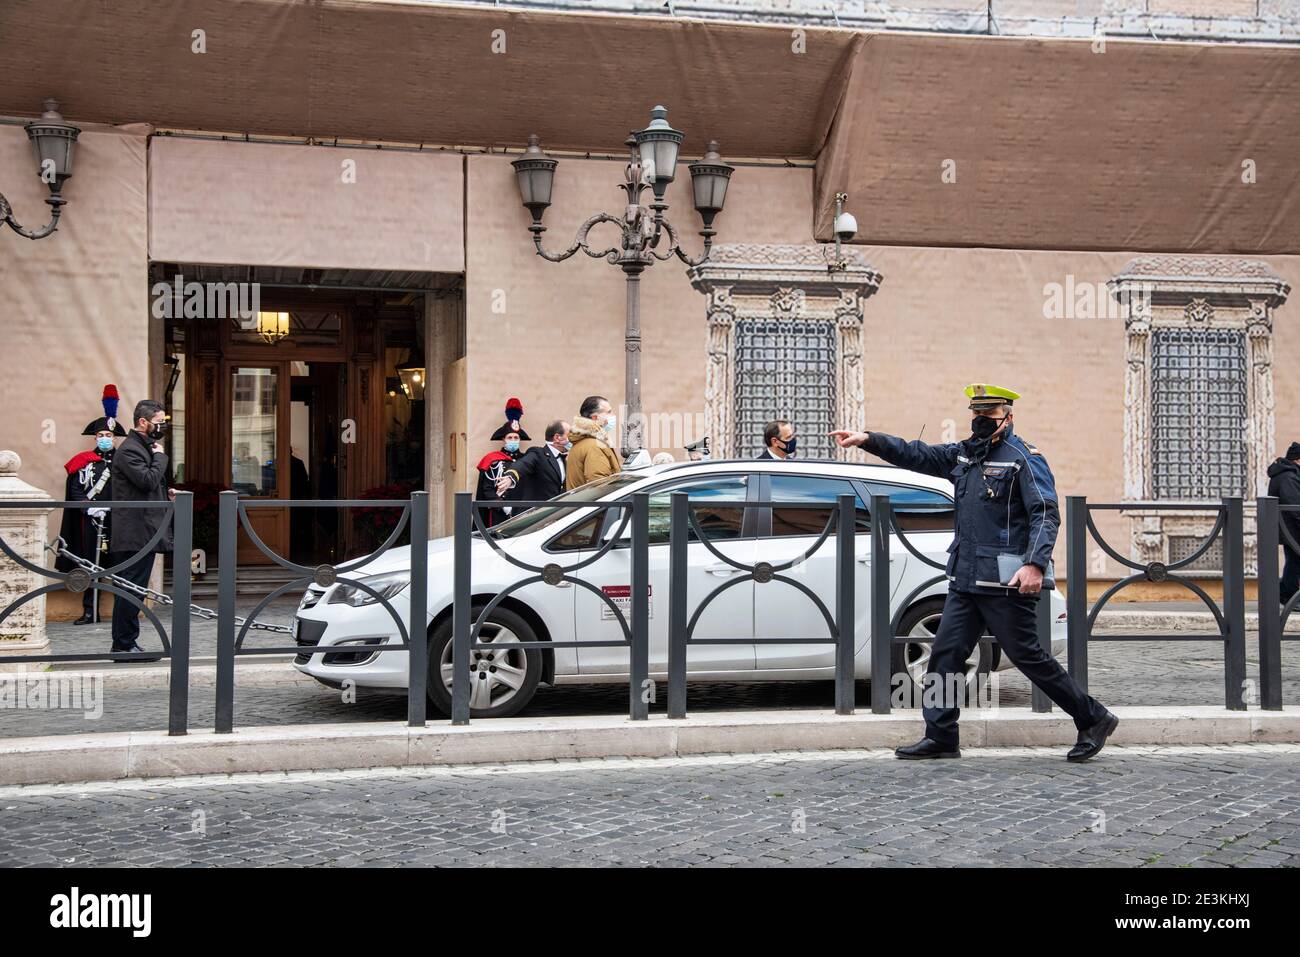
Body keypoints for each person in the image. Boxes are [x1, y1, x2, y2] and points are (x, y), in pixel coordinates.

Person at [829, 383, 1118, 763]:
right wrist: (869, 440)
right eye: (976, 415)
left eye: (989, 415)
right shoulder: (964, 455)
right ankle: (941, 736)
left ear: (1007, 418)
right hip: (965, 580)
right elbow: (917, 454)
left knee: (1028, 656)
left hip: (1005, 583)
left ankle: (1093, 717)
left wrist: (1034, 564)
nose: (980, 421)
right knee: (944, 656)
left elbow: (1045, 513)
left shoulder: (1023, 459)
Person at [108, 398, 173, 662]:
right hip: (134, 534)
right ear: (143, 422)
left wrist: (165, 493)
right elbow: (146, 480)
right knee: (130, 589)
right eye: (158, 422)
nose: (161, 427)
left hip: (143, 531)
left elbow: (148, 485)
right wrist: (160, 457)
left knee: (135, 589)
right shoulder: (131, 449)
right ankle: (123, 645)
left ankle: (126, 643)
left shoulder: (141, 446)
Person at [55, 385, 127, 624]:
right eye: (101, 436)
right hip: (91, 520)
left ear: (115, 438)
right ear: (95, 438)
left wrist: (114, 507)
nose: (105, 439)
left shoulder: (124, 462)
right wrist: (88, 506)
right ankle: (89, 610)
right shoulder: (84, 462)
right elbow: (75, 488)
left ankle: (123, 613)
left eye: (109, 436)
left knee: (120, 564)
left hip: (118, 520)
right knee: (90, 564)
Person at [475, 398, 530, 527]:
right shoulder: (493, 460)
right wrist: (502, 505)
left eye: (516, 438)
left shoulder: (526, 460)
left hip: (522, 512)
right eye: (510, 437)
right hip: (499, 513)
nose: (513, 440)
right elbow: (487, 489)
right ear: (503, 439)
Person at [496, 420, 570, 506]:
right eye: (570, 435)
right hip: (536, 513)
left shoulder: (565, 458)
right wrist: (510, 477)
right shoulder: (538, 453)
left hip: (556, 513)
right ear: (557, 438)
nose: (573, 439)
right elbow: (523, 464)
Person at [1267, 441, 1300, 605]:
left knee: (1294, 561)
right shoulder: (1288, 476)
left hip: (1289, 528)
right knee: (1294, 562)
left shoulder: (1288, 474)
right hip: (1292, 529)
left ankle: (1287, 594)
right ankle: (1288, 596)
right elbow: (1295, 507)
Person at [566, 395, 621, 489]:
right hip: (594, 503)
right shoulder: (594, 445)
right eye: (609, 412)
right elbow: (599, 485)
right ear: (595, 418)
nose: (613, 416)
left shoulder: (585, 441)